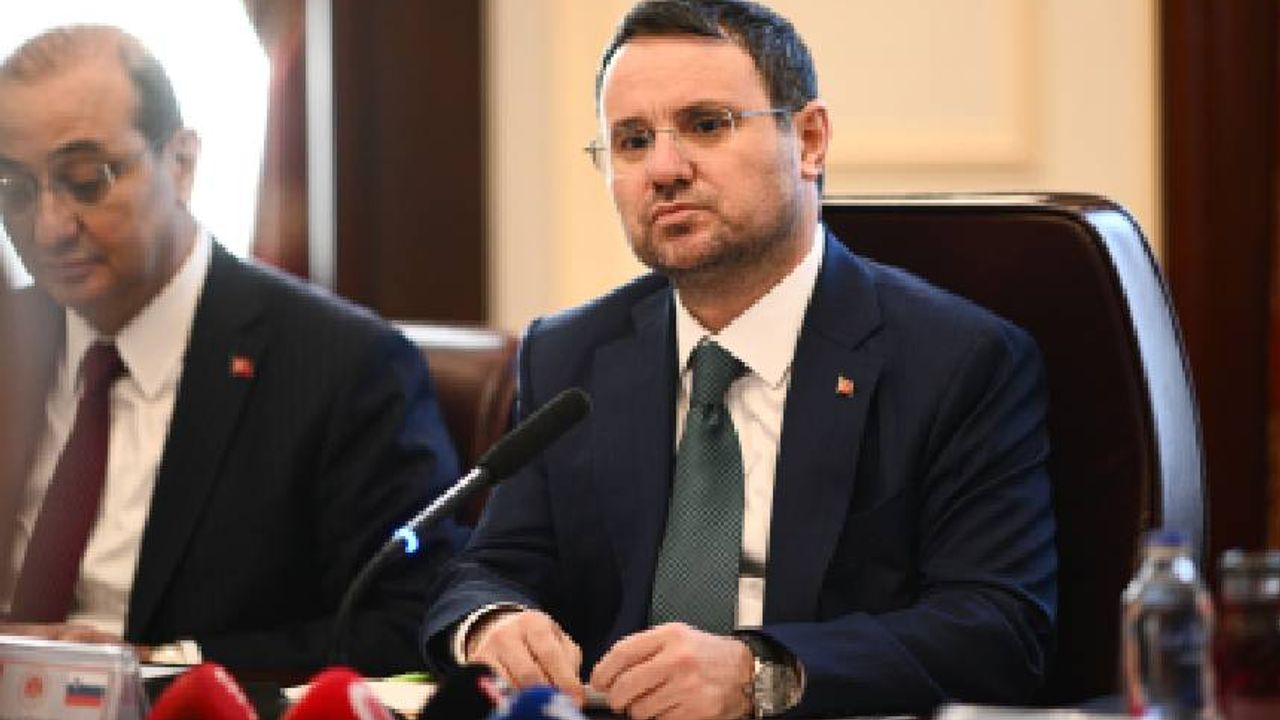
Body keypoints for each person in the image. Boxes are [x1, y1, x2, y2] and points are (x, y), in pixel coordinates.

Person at [422, 1, 1057, 717]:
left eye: (706, 124)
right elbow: (487, 568)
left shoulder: (958, 361)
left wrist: (762, 675)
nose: (664, 170)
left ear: (809, 140)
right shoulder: (570, 355)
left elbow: (998, 630)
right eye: (632, 141)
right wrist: (494, 622)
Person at [0, 25, 465, 675]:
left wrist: (160, 665)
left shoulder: (341, 366)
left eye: (86, 180)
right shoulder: (10, 341)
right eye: (16, 190)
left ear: (181, 164)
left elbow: (407, 618)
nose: (49, 227)